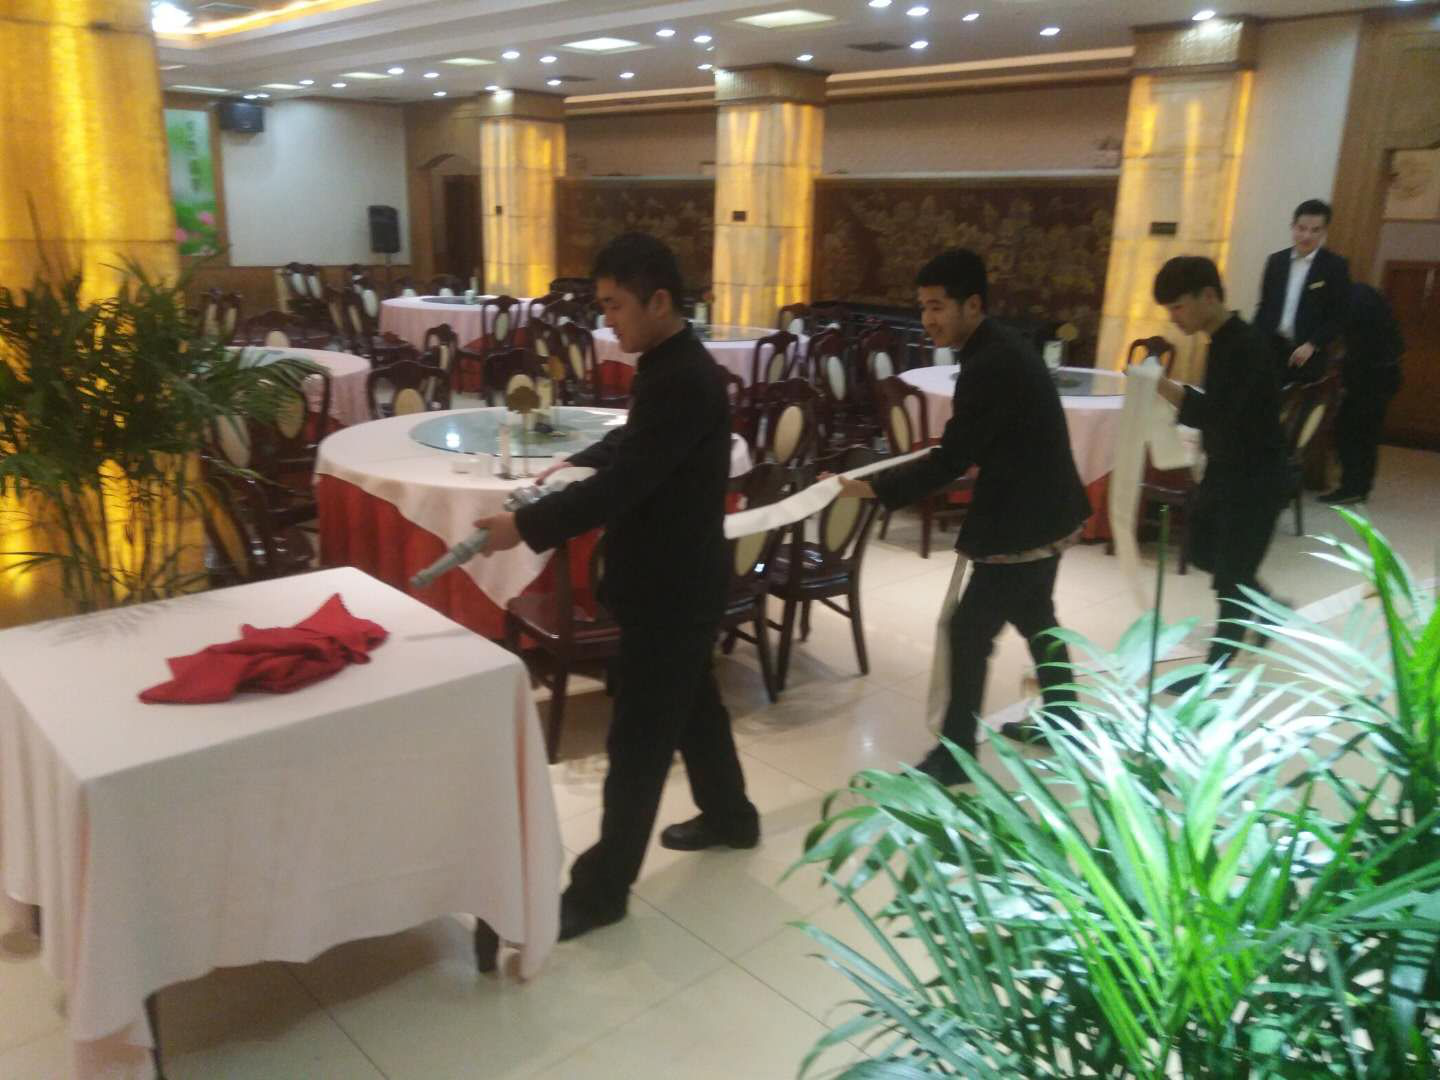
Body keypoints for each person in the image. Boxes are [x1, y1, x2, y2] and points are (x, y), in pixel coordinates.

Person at [474, 233, 758, 941]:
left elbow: (629, 481)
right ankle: (732, 817)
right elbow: (636, 446)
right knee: (694, 708)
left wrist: (524, 526)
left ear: (658, 301)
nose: (607, 322)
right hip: (678, 580)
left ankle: (602, 892)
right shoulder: (669, 366)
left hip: (672, 588)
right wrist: (580, 457)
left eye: (614, 306)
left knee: (637, 745)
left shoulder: (682, 377)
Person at [836, 249, 1092, 786]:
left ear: (972, 304)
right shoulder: (996, 347)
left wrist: (874, 488)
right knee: (1035, 614)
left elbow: (953, 458)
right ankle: (1067, 720)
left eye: (937, 306)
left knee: (968, 632)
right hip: (1048, 506)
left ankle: (955, 756)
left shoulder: (989, 363)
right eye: (923, 307)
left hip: (1026, 517)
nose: (927, 319)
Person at [1151, 256, 1286, 693]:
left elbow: (1222, 417)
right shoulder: (1221, 342)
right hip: (1226, 470)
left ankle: (1215, 672)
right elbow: (1219, 414)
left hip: (1255, 477)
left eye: (1178, 306)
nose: (1174, 318)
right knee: (1205, 552)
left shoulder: (1247, 347)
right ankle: (1268, 609)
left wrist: (1168, 391)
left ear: (1208, 296)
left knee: (1231, 576)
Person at [1322, 282, 1404, 505]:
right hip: (1381, 378)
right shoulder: (1365, 297)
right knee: (1366, 435)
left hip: (1369, 380)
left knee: (1351, 432)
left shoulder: (1355, 301)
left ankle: (1352, 486)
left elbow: (1353, 344)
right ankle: (1359, 486)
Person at [1253, 198, 1351, 385]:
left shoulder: (1335, 266)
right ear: (1293, 227)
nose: (1306, 236)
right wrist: (1254, 342)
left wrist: (1313, 344)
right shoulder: (1276, 262)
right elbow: (1264, 307)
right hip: (1272, 351)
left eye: (1315, 230)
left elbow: (1339, 316)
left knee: (1297, 401)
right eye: (1301, 228)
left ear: (1324, 232)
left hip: (1308, 356)